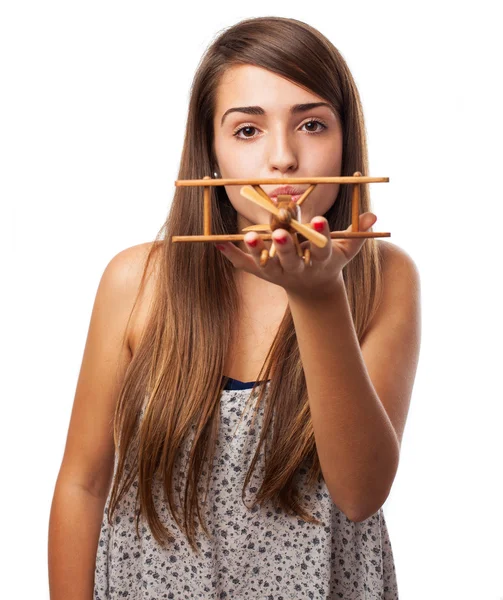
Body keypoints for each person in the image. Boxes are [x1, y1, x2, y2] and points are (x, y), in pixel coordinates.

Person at [48, 16, 421, 600]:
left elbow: (360, 492)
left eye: (313, 124)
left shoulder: (382, 277)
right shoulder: (136, 281)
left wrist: (318, 294)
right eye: (248, 130)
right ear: (212, 153)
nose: (283, 158)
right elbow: (83, 482)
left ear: (347, 142)